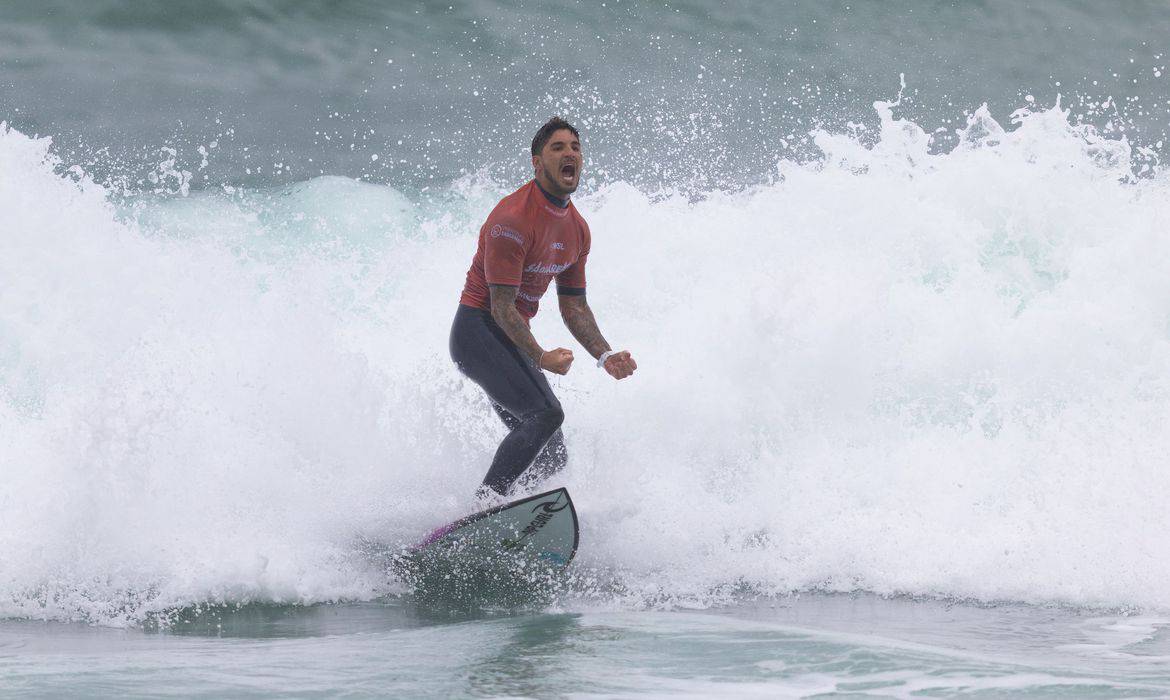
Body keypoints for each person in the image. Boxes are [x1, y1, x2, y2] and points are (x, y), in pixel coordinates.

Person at [450, 116, 637, 502]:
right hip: (477, 333)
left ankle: (513, 514)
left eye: (575, 147)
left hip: (509, 340)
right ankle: (483, 508)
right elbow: (501, 308)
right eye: (558, 147)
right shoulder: (512, 220)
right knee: (545, 416)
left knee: (552, 453)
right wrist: (540, 356)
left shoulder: (577, 229)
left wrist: (605, 354)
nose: (570, 153)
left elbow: (574, 306)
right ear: (537, 162)